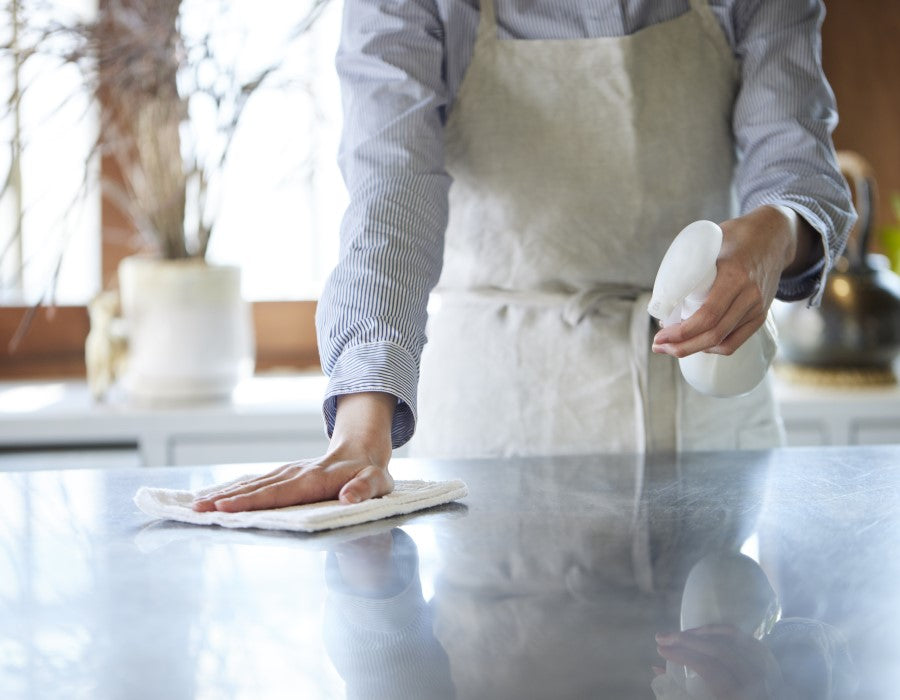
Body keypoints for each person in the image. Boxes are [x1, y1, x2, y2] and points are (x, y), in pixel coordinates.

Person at [193, 0, 854, 514]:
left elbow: (794, 155)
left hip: (710, 422)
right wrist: (362, 432)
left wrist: (779, 228)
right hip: (503, 432)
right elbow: (391, 197)